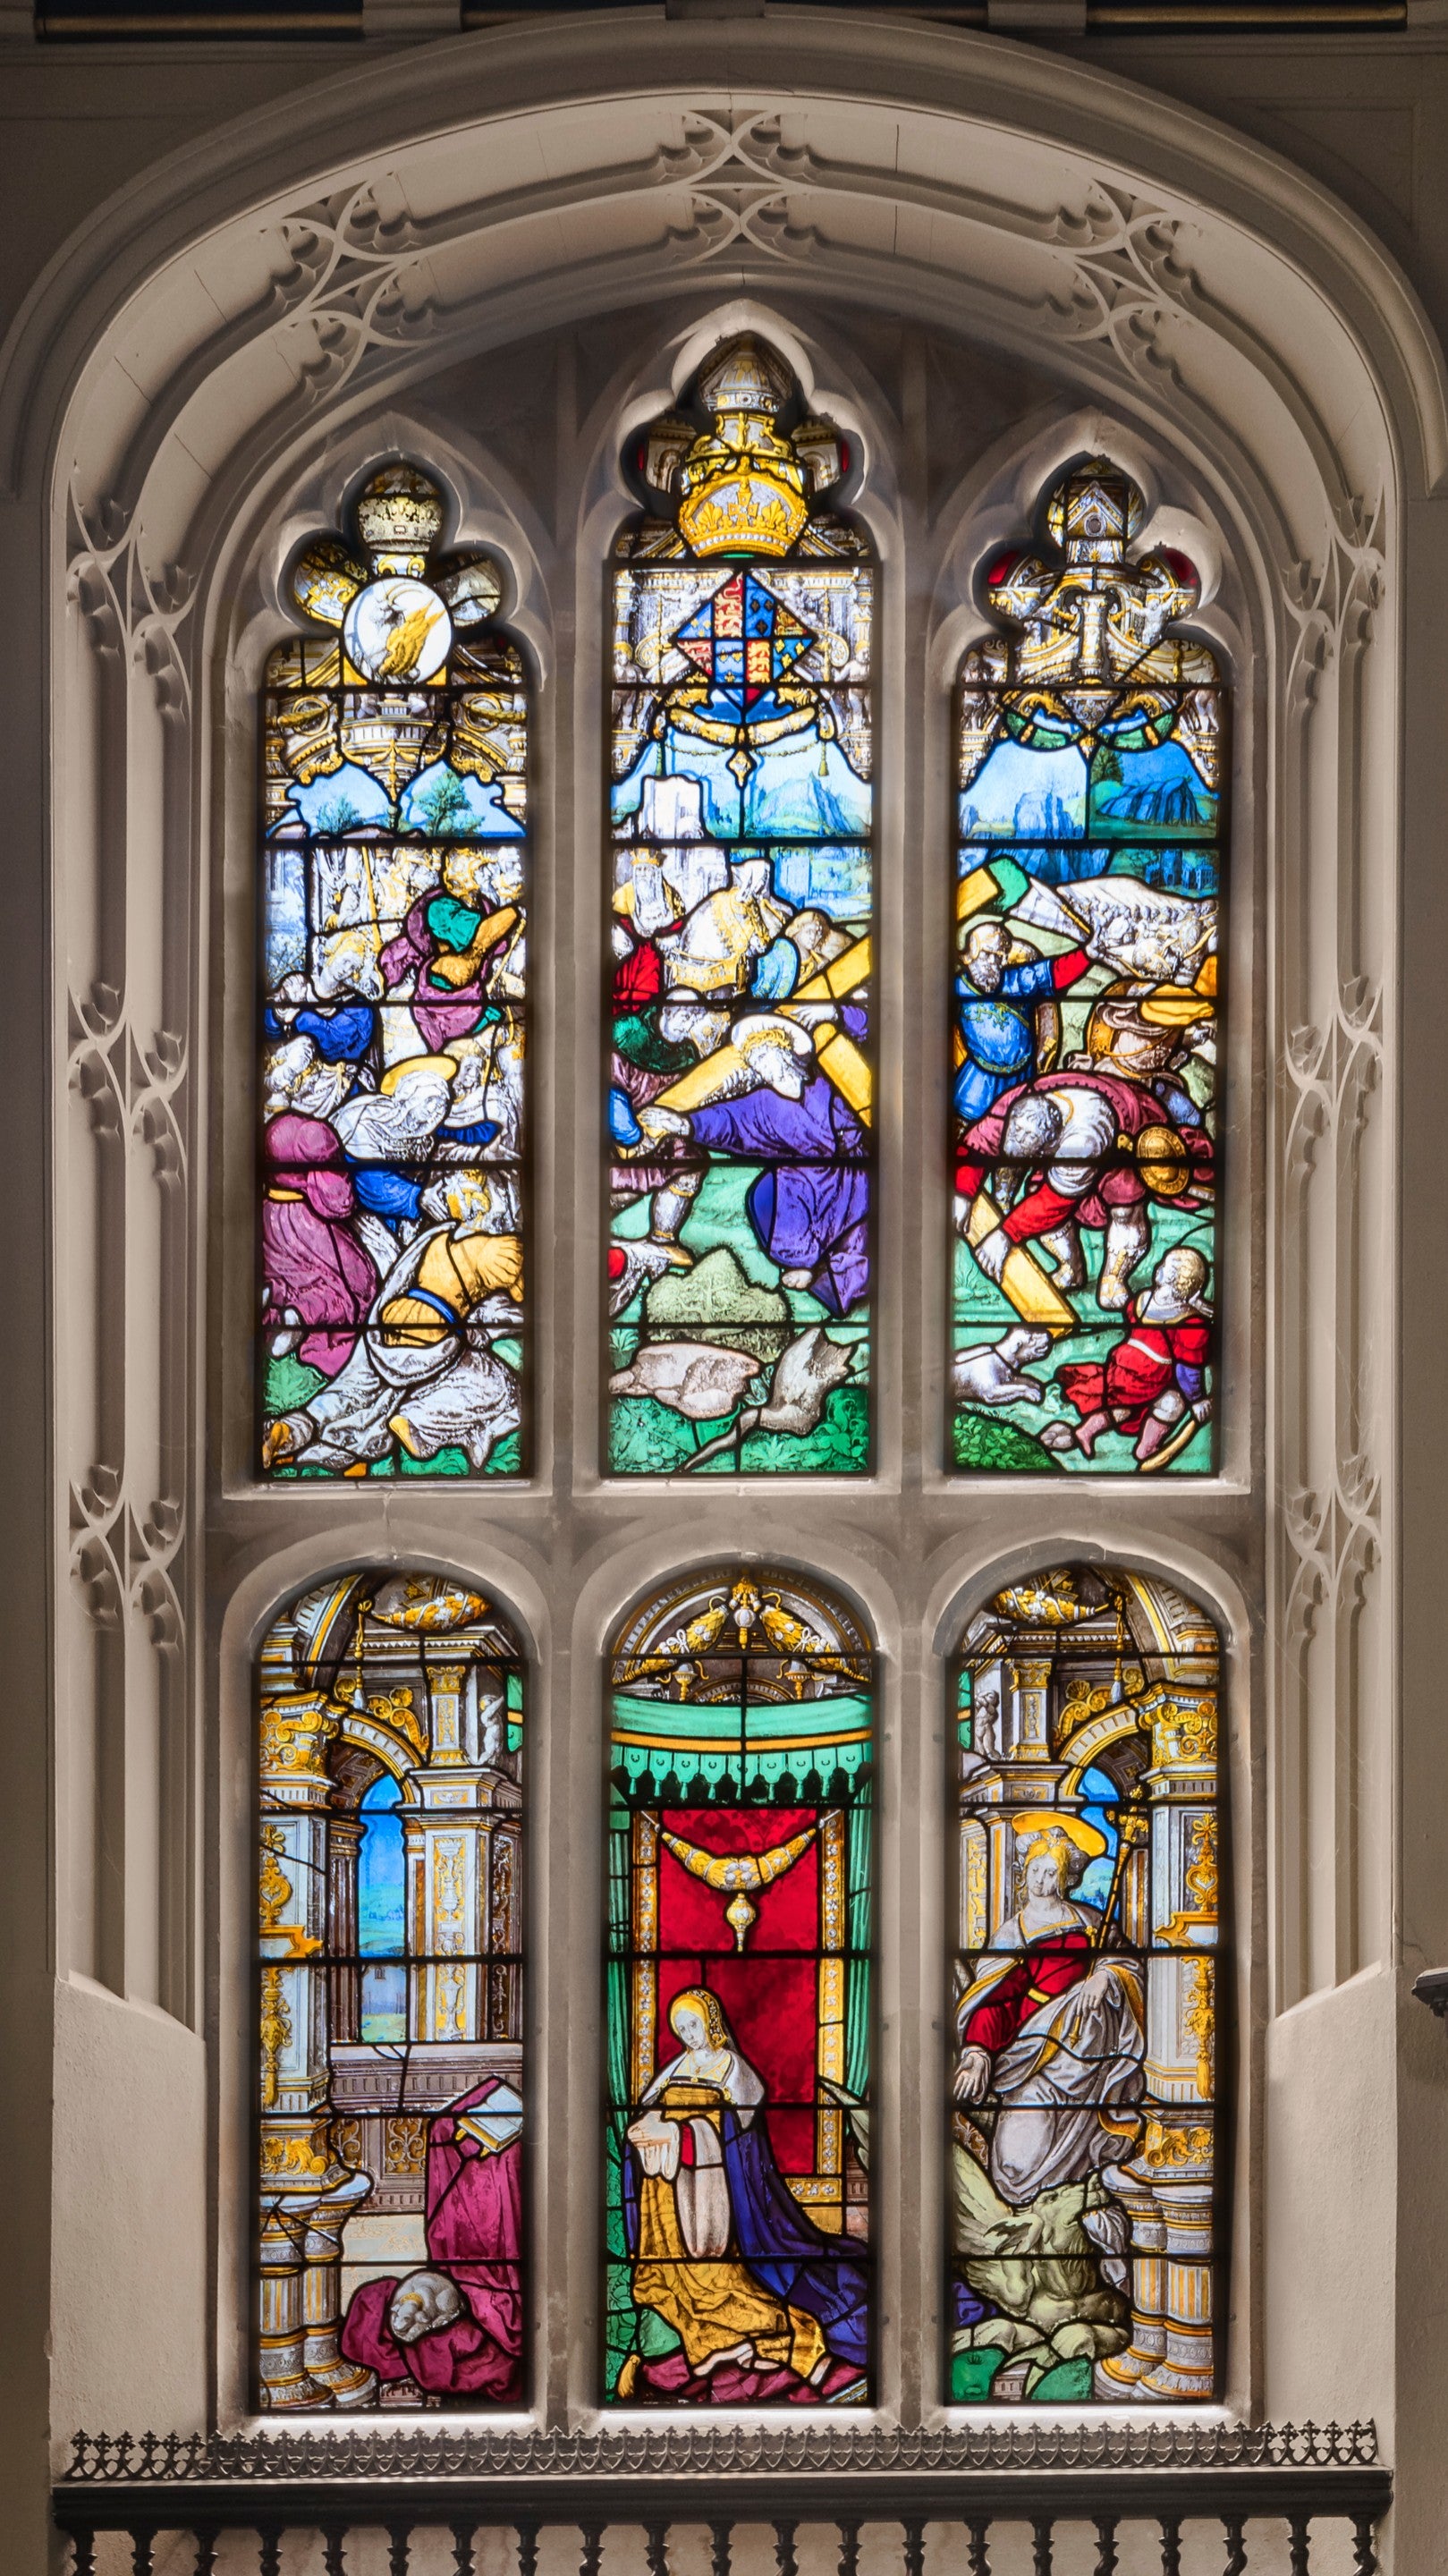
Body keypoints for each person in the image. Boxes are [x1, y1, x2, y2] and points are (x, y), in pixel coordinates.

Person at [621, 1987, 867, 2402]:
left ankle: (780, 2342)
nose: (689, 2035)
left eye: (694, 2025)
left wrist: (684, 2135)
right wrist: (647, 2131)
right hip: (672, 2198)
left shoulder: (732, 2068)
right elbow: (649, 2108)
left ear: (711, 2023)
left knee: (735, 2280)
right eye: (681, 2028)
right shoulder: (677, 2066)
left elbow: (737, 2136)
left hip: (718, 2198)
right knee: (666, 2281)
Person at [953, 1818, 1144, 2207]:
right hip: (1030, 2050)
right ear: (1025, 1873)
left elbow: (1127, 1963)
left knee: (1081, 2142)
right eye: (1035, 1870)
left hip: (1093, 2061)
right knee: (1015, 2157)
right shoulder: (1013, 1933)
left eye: (1050, 1872)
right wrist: (976, 2052)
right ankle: (1021, 2206)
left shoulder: (1090, 1922)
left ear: (1064, 1877)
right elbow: (994, 2000)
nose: (1041, 1880)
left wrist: (1104, 1977)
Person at [340, 2075, 523, 2400]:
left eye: (400, 2320)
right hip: (457, 2281)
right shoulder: (427, 2311)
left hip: (461, 2282)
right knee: (449, 2132)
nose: (403, 2320)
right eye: (412, 2324)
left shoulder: (410, 2308)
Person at [1048, 1245, 1213, 1462]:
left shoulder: (1143, 1300)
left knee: (1124, 1405)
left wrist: (1194, 1303)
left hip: (1125, 1362)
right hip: (1151, 1374)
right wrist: (1197, 1399)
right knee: (1172, 1403)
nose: (1158, 1268)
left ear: (1172, 1278)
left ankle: (1088, 1431)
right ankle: (1146, 1448)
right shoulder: (1189, 1322)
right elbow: (1186, 1370)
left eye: (1164, 1265)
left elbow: (1135, 1317)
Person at [954, 919, 1089, 1123]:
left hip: (1021, 1079)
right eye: (987, 954)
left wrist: (1088, 954)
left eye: (999, 957)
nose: (993, 963)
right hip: (978, 1085)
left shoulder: (1018, 980)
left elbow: (1056, 972)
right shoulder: (957, 988)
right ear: (972, 953)